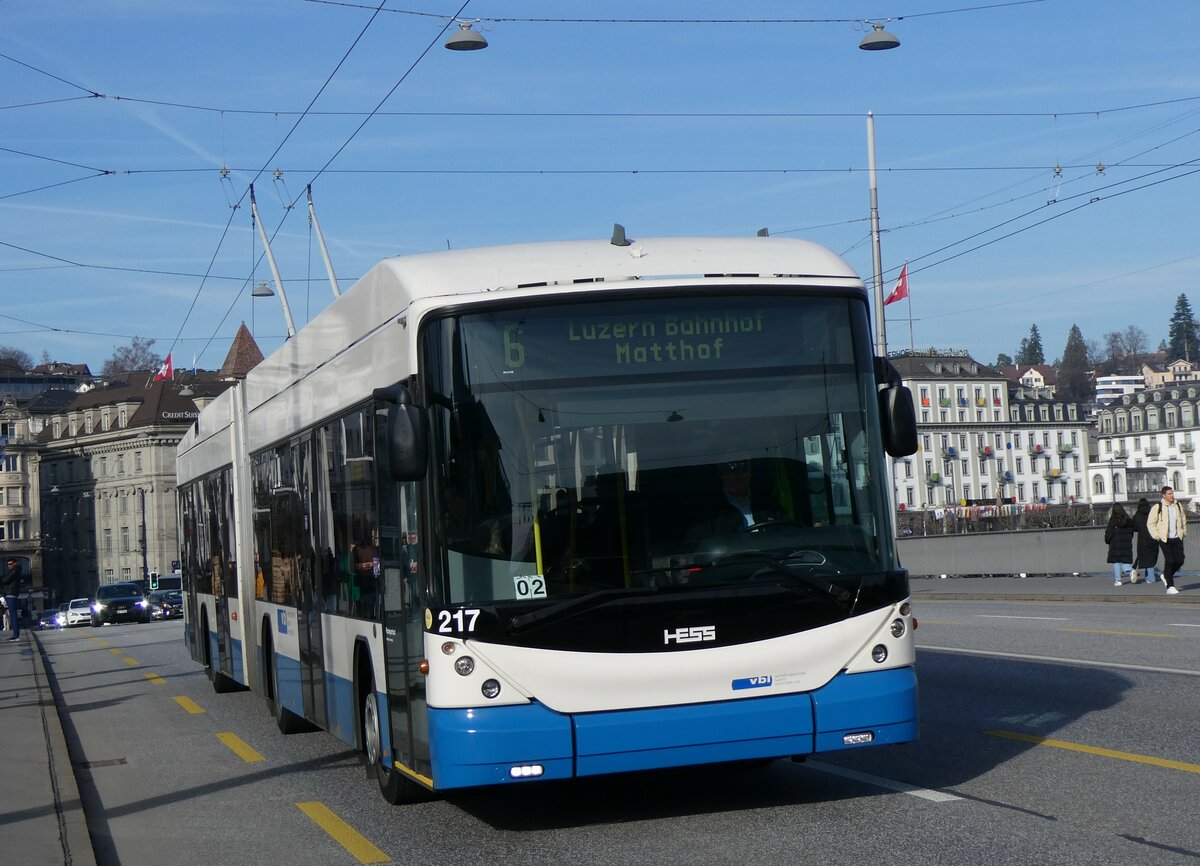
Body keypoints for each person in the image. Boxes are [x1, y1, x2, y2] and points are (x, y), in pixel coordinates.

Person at [1148, 485, 1187, 595]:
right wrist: (1157, 535)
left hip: (1177, 537)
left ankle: (1165, 575)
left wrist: (1183, 532)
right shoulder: (1158, 507)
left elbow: (1183, 520)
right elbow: (1150, 523)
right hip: (1165, 538)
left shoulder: (1177, 505)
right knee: (1170, 560)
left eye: (1172, 493)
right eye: (1169, 494)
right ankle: (1170, 586)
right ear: (1163, 495)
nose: (1172, 495)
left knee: (1180, 560)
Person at [1103, 504, 1135, 586]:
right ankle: (1130, 570)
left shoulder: (1113, 520)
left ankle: (1118, 580)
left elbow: (1109, 533)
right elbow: (1131, 533)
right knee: (1124, 560)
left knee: (1116, 562)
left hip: (1115, 544)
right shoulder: (1128, 520)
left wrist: (1107, 540)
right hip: (1126, 544)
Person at [1131, 498, 1159, 585]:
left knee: (1144, 558)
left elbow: (1134, 528)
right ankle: (1149, 577)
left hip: (1142, 539)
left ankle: (1151, 578)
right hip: (1153, 537)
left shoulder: (1137, 515)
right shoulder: (1152, 513)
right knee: (1151, 558)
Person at [1, 558, 21, 641]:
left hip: (11, 594)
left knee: (13, 615)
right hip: (10, 594)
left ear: (14, 564)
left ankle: (16, 635)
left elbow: (6, 580)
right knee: (12, 615)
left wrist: (4, 579)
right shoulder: (15, 571)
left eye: (10, 564)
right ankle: (15, 634)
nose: (9, 566)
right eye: (8, 564)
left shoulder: (15, 571)